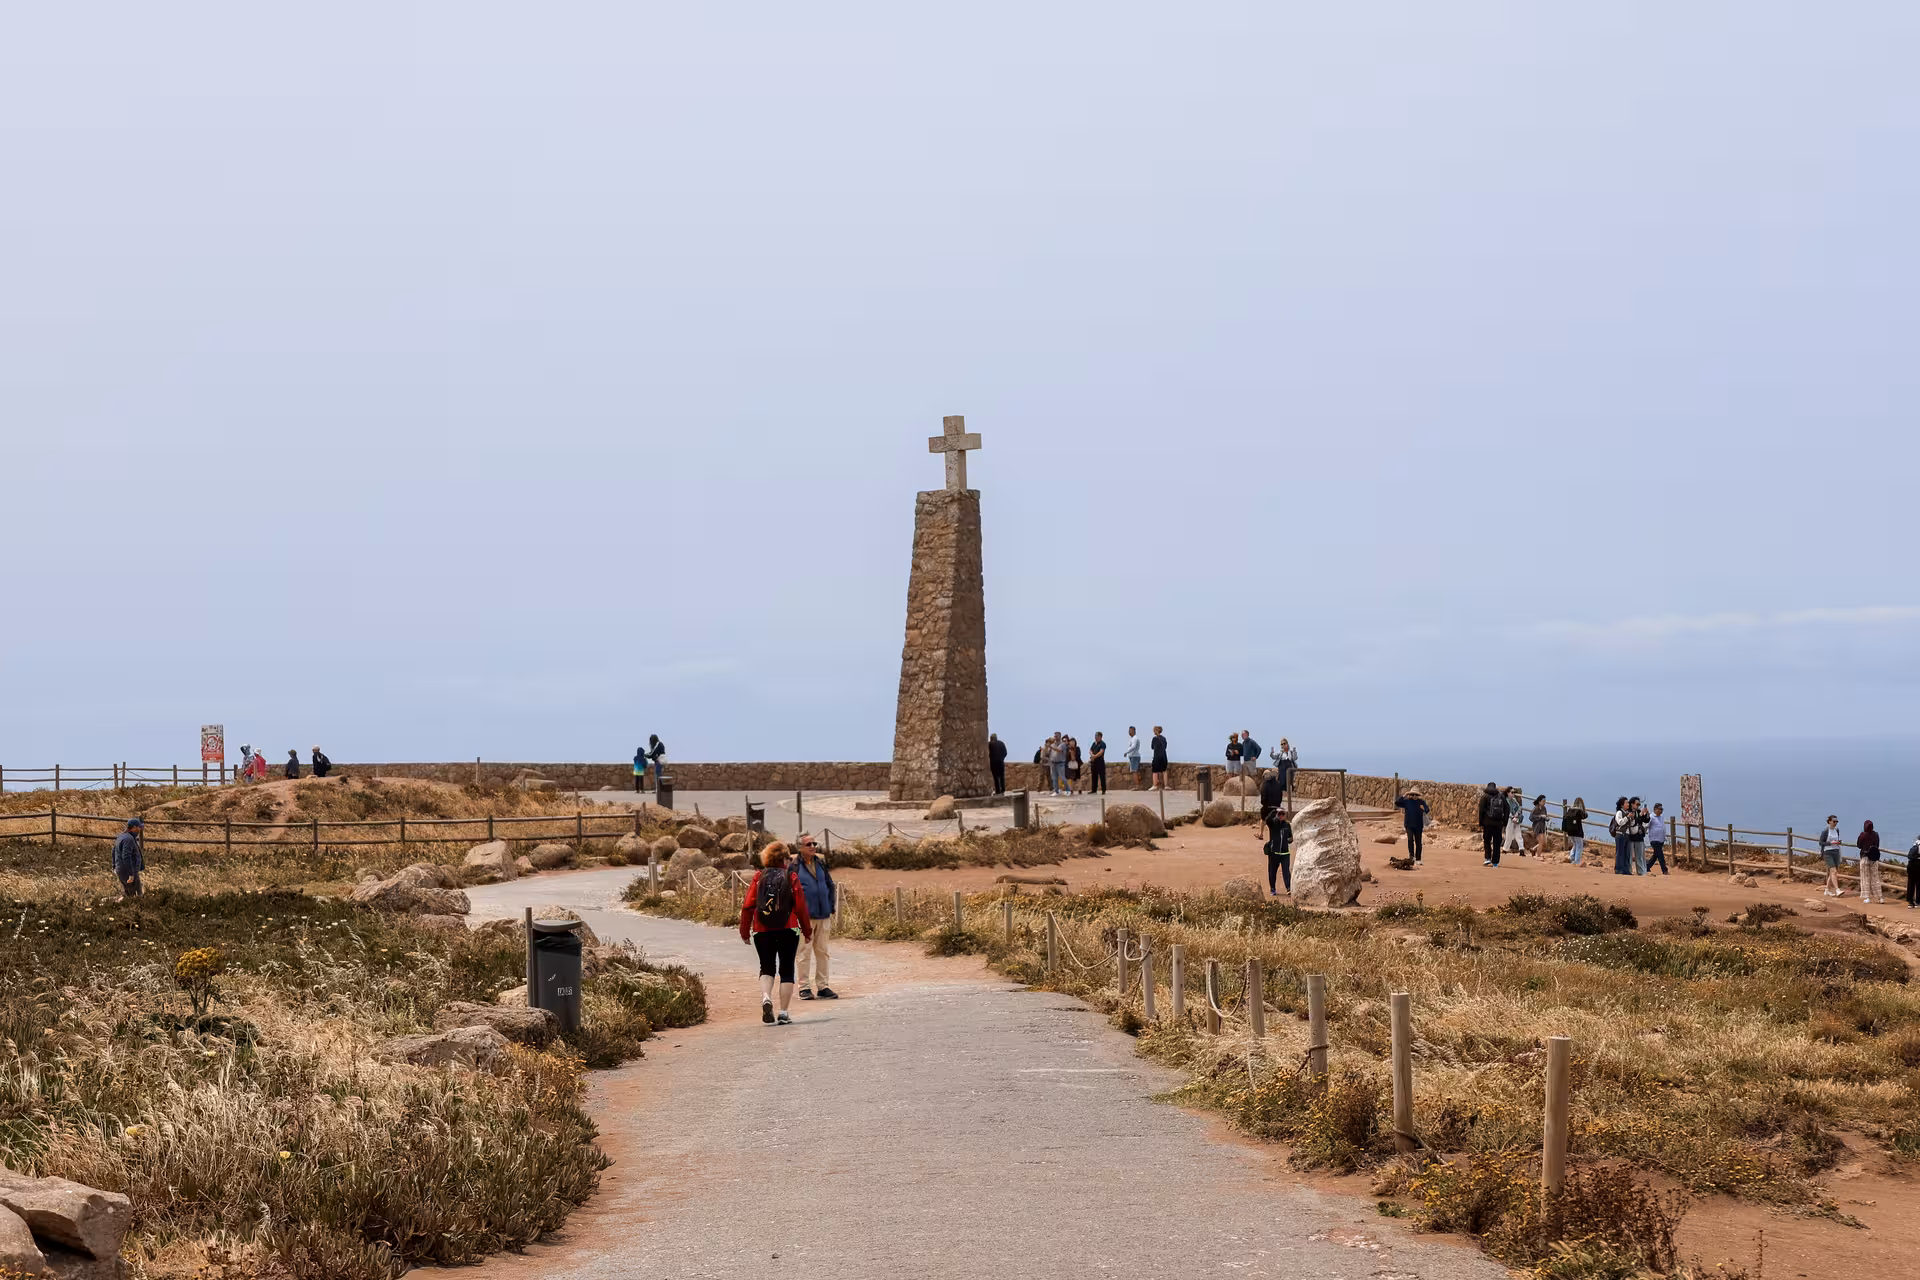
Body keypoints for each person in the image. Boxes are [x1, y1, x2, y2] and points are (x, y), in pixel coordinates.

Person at [737, 842, 813, 1025]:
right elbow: (801, 907)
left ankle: (766, 998)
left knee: (766, 967)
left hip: (762, 930)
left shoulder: (758, 876)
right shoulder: (791, 876)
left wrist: (744, 931)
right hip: (788, 928)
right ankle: (784, 1012)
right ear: (784, 859)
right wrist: (807, 930)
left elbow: (748, 906)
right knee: (787, 969)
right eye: (789, 858)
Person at [791, 835, 838, 1000]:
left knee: (823, 952)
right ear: (800, 847)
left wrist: (831, 905)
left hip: (824, 915)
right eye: (808, 844)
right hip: (805, 918)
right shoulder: (794, 867)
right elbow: (789, 891)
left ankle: (823, 986)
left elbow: (829, 884)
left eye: (814, 843)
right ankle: (804, 988)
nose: (812, 846)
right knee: (804, 952)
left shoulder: (820, 863)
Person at [112, 818, 145, 899]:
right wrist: (131, 874)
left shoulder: (121, 837)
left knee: (129, 894)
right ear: (134, 827)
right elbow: (126, 857)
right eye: (139, 827)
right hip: (128, 871)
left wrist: (114, 866)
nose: (140, 829)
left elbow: (113, 851)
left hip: (122, 870)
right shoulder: (129, 839)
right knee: (136, 895)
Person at [1263, 807, 1293, 896]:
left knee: (1286, 871)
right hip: (1274, 853)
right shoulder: (1272, 823)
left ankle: (1289, 888)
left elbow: (1290, 837)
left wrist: (1290, 840)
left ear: (1285, 815)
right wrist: (1275, 810)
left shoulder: (1287, 825)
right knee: (1272, 871)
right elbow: (1267, 819)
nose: (1281, 816)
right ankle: (1272, 888)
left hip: (1285, 853)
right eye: (1279, 814)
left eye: (1282, 814)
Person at [1394, 788, 1430, 863]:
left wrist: (1423, 809)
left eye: (1416, 795)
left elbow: (1427, 810)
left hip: (1418, 825)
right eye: (1412, 794)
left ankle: (1418, 858)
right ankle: (1411, 856)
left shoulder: (1421, 802)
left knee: (1418, 842)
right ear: (1410, 795)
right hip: (1409, 825)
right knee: (1410, 840)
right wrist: (1404, 795)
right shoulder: (1406, 801)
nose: (1414, 796)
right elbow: (1397, 803)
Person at [1478, 783, 1507, 866]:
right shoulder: (1501, 796)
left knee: (1487, 840)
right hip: (1498, 824)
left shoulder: (1485, 796)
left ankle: (1487, 858)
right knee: (1497, 843)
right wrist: (1504, 822)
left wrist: (1481, 822)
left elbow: (1481, 810)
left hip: (1487, 823)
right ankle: (1495, 862)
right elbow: (1507, 808)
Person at [1858, 820, 1883, 904]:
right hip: (1874, 858)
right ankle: (1880, 897)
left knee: (1865, 878)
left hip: (1865, 858)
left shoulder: (1863, 835)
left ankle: (1867, 897)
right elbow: (1877, 845)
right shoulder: (1876, 834)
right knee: (1875, 878)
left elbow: (1859, 845)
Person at [1819, 816, 1844, 897]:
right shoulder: (1825, 831)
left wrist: (1837, 842)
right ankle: (1837, 890)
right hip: (1827, 852)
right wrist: (1831, 843)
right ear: (1829, 821)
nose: (1835, 823)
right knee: (1834, 871)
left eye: (1837, 821)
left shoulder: (1837, 830)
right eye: (1834, 821)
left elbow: (1836, 840)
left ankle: (1827, 890)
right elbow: (1821, 842)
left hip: (1836, 851)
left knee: (1832, 872)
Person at [1562, 798, 1588, 865]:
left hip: (1570, 832)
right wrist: (1584, 810)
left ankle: (1572, 858)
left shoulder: (1570, 810)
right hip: (1578, 832)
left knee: (1575, 845)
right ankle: (1577, 861)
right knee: (1579, 846)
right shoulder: (1579, 811)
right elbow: (1585, 816)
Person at [1611, 797, 1632, 875]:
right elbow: (1620, 822)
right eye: (1626, 803)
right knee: (1619, 852)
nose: (1628, 804)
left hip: (1627, 834)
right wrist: (1627, 817)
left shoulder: (1628, 812)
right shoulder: (1619, 813)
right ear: (1622, 805)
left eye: (1628, 803)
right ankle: (1618, 869)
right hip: (1620, 834)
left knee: (1626, 853)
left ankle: (1625, 869)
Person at [1627, 798, 1649, 875]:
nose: (1638, 806)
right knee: (1629, 856)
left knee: (1640, 856)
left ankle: (1641, 871)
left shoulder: (1639, 812)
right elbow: (1633, 822)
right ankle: (1629, 871)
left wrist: (1646, 814)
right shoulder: (1629, 812)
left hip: (1639, 836)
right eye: (1637, 804)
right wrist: (1639, 815)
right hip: (1630, 836)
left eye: (1639, 804)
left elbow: (1645, 820)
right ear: (1632, 804)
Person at [1646, 803, 1669, 875]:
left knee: (1656, 855)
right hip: (1654, 839)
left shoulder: (1661, 818)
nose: (1661, 811)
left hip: (1661, 839)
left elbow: (1662, 827)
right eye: (1659, 809)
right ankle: (1664, 870)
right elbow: (1646, 825)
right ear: (1655, 809)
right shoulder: (1651, 817)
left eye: (1662, 809)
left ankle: (1647, 867)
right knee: (1660, 855)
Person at [1502, 787, 1526, 856]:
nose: (1513, 794)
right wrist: (1512, 816)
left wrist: (1517, 814)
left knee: (1518, 834)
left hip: (1516, 818)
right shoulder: (1505, 801)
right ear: (1508, 793)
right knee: (1509, 834)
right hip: (1509, 819)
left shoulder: (1514, 800)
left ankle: (1521, 849)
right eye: (1512, 792)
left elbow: (1519, 807)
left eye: (1514, 793)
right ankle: (1505, 849)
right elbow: (1505, 811)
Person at [1150, 727, 1169, 791]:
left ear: (1156, 731)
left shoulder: (1154, 739)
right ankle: (1166, 785)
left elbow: (1152, 747)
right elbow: (1165, 746)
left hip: (1157, 756)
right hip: (1164, 756)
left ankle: (1155, 785)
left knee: (1155, 771)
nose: (1153, 732)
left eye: (1154, 730)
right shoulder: (1164, 738)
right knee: (1164, 771)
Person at [1907, 834, 1920, 910]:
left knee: (1911, 883)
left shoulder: (1916, 843)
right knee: (1919, 883)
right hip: (1918, 864)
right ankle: (1918, 901)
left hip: (1911, 864)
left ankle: (1910, 902)